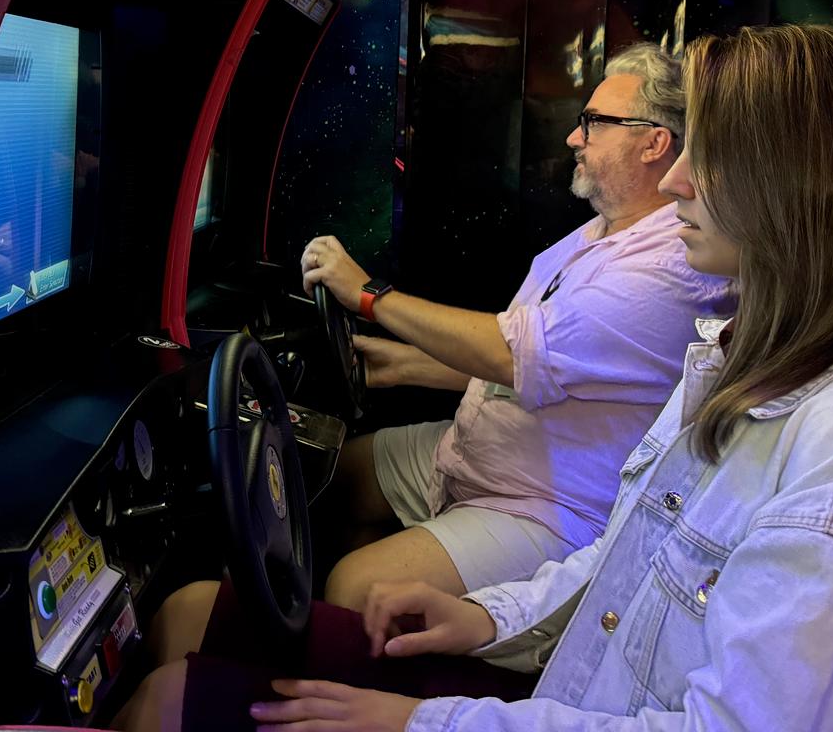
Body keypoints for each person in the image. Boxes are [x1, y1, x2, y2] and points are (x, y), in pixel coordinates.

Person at [115, 23, 833, 732]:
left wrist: (421, 723)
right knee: (185, 614)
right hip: (569, 679)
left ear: (799, 187)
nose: (676, 180)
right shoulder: (742, 353)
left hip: (557, 677)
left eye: (709, 154)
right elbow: (629, 560)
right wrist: (490, 618)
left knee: (166, 702)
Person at [305, 43, 734, 610]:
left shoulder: (667, 267)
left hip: (549, 505)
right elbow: (548, 361)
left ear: (654, 143)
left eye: (594, 123)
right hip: (480, 456)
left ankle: (376, 650)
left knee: (355, 586)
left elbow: (513, 355)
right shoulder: (601, 231)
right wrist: (407, 366)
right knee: (337, 473)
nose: (574, 138)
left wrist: (369, 297)